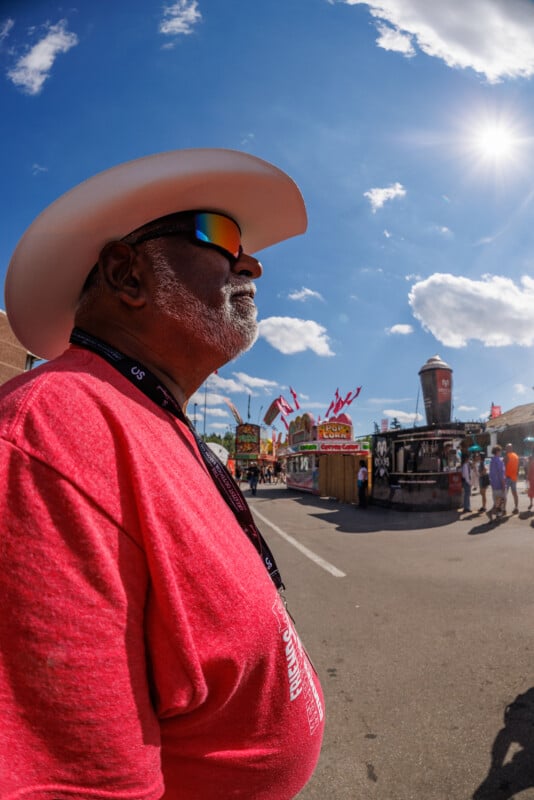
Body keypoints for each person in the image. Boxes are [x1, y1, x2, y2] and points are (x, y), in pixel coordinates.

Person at [0, 149, 324, 799]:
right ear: (127, 272)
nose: (252, 262)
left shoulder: (145, 412)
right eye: (222, 236)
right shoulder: (49, 434)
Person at [488, 445, 506, 521]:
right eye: (500, 451)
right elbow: (501, 474)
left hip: (494, 484)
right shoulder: (499, 461)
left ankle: (497, 515)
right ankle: (493, 513)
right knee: (501, 501)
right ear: (497, 451)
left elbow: (491, 473)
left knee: (497, 501)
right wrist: (503, 485)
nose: (501, 452)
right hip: (499, 484)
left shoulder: (492, 461)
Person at [504, 442, 520, 514]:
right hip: (514, 478)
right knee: (515, 493)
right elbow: (518, 467)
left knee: (505, 494)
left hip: (507, 477)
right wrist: (516, 475)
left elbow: (503, 467)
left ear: (508, 448)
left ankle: (504, 509)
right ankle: (516, 508)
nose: (506, 449)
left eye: (506, 448)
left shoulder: (507, 456)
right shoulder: (516, 456)